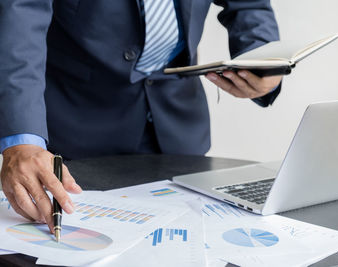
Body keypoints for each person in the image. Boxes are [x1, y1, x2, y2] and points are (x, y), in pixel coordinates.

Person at [0, 0, 282, 231]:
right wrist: (22, 140)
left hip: (178, 128)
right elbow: (20, 19)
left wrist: (262, 60)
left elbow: (249, 5)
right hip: (76, 129)